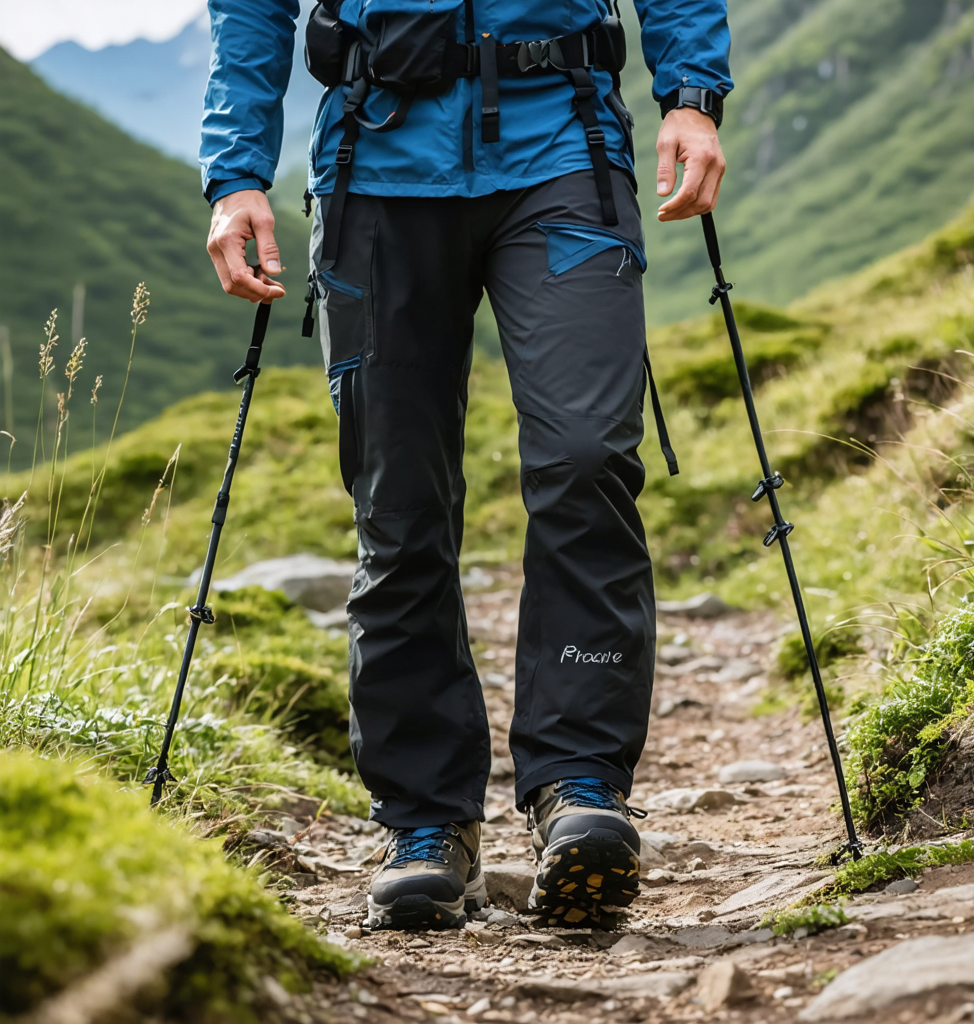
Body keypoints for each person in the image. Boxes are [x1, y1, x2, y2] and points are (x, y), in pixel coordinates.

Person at [202, 0, 731, 931]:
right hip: (376, 163)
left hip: (567, 145)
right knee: (398, 507)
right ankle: (425, 824)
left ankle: (579, 784)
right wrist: (236, 171)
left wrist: (690, 95)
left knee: (587, 456)